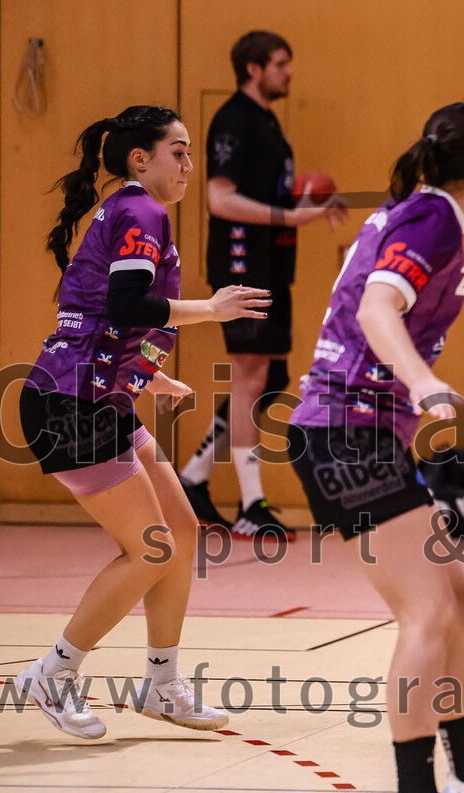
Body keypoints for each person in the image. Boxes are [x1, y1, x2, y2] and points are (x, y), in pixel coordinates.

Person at [287, 103, 464, 793]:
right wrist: (423, 379)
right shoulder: (433, 220)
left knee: (456, 599)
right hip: (347, 429)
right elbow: (376, 308)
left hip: (360, 430)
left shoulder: (416, 212)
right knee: (428, 611)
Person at [15, 105, 270, 739]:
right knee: (150, 547)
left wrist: (150, 376)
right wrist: (212, 309)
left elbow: (98, 312)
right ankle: (53, 672)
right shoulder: (141, 211)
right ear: (140, 159)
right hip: (72, 404)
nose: (189, 164)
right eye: (178, 152)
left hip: (103, 399)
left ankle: (161, 685)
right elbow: (131, 305)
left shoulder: (136, 213)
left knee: (180, 535)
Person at [178, 30, 346, 541]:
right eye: (279, 63)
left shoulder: (268, 123)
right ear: (253, 68)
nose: (288, 71)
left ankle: (193, 478)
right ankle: (253, 504)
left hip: (270, 267)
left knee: (267, 382)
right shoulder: (233, 119)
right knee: (251, 378)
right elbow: (219, 199)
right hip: (241, 263)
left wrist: (305, 205)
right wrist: (289, 216)